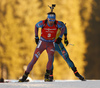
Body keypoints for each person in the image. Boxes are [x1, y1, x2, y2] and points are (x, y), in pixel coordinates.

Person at [19, 12, 66, 82]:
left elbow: (63, 27)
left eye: (53, 20)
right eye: (50, 20)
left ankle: (47, 76)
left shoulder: (57, 23)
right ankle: (25, 76)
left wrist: (60, 37)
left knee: (50, 59)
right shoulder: (43, 23)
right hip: (42, 43)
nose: (51, 22)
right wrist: (36, 37)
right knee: (34, 59)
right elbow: (36, 26)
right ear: (47, 18)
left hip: (51, 44)